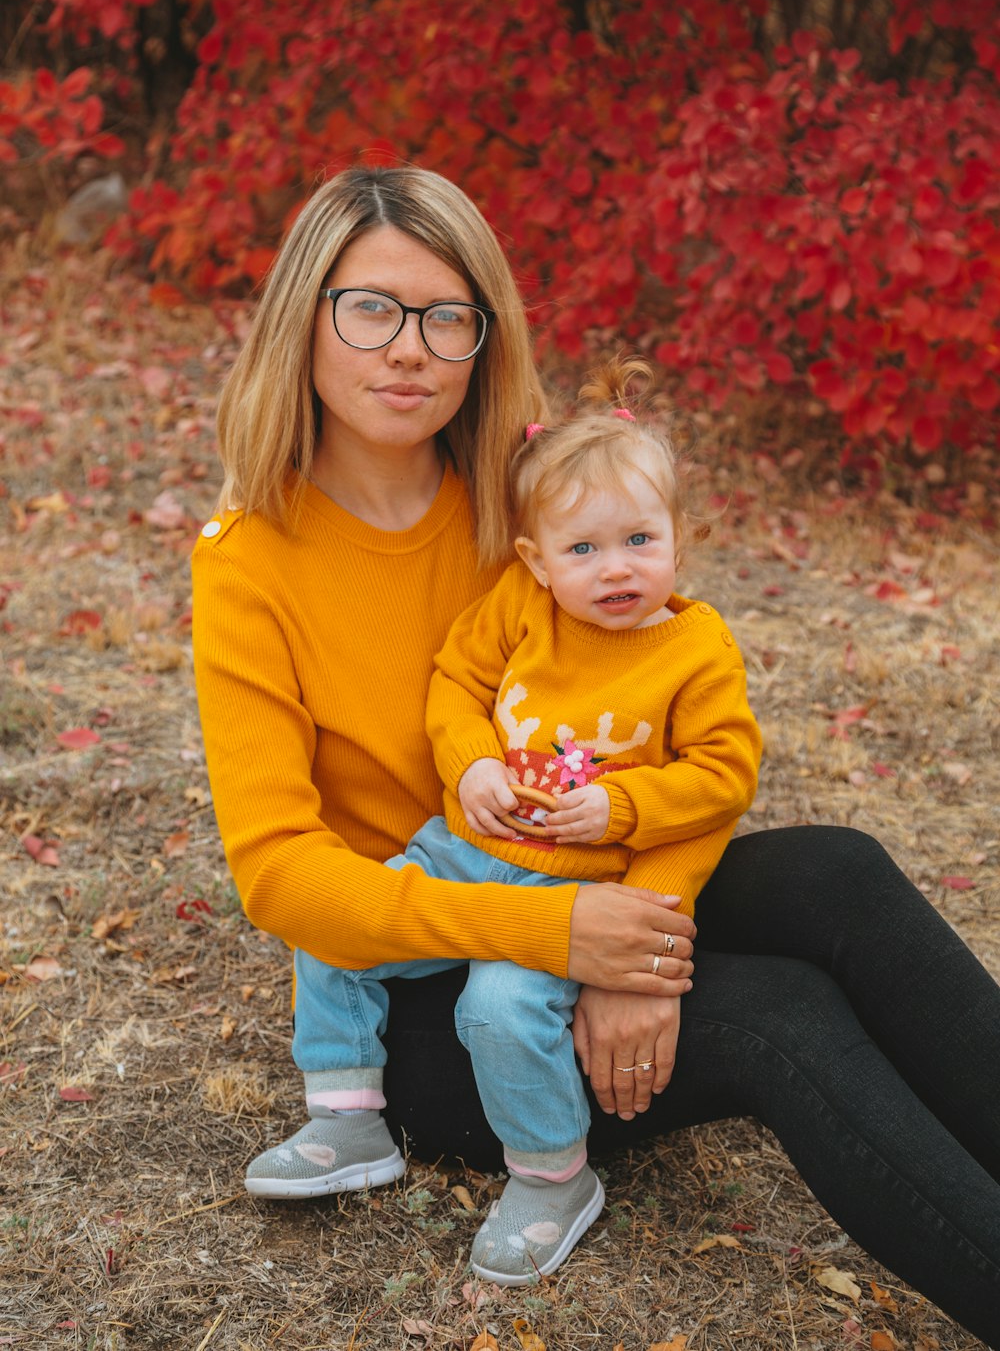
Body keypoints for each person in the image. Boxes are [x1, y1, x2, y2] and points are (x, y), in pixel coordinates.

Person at [191, 164, 1000, 1344]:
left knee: (840, 871)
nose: (408, 348)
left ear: (482, 338)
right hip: (442, 999)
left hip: (583, 883)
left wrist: (642, 941)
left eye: (446, 316)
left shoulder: (523, 508)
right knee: (780, 1017)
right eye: (369, 308)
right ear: (300, 319)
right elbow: (277, 875)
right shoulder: (248, 561)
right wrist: (567, 939)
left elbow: (678, 729)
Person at [235, 355, 762, 1285]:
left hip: (573, 881)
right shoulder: (521, 608)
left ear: (681, 538)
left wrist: (625, 804)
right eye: (584, 550)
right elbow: (457, 684)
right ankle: (347, 1115)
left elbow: (725, 774)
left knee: (502, 1008)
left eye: (641, 539)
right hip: (465, 849)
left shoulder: (696, 649)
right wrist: (472, 761)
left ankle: (553, 1175)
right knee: (335, 927)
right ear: (536, 559)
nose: (615, 570)